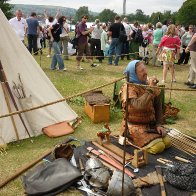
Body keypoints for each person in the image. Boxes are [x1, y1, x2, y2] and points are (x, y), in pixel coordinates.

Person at [120, 60, 171, 154]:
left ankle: (150, 138)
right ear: (134, 74)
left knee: (167, 143)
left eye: (145, 69)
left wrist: (158, 124)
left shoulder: (147, 84)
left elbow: (158, 107)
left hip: (150, 125)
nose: (145, 72)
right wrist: (150, 90)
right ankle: (131, 139)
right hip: (135, 126)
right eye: (142, 71)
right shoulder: (129, 88)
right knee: (158, 147)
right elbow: (138, 106)